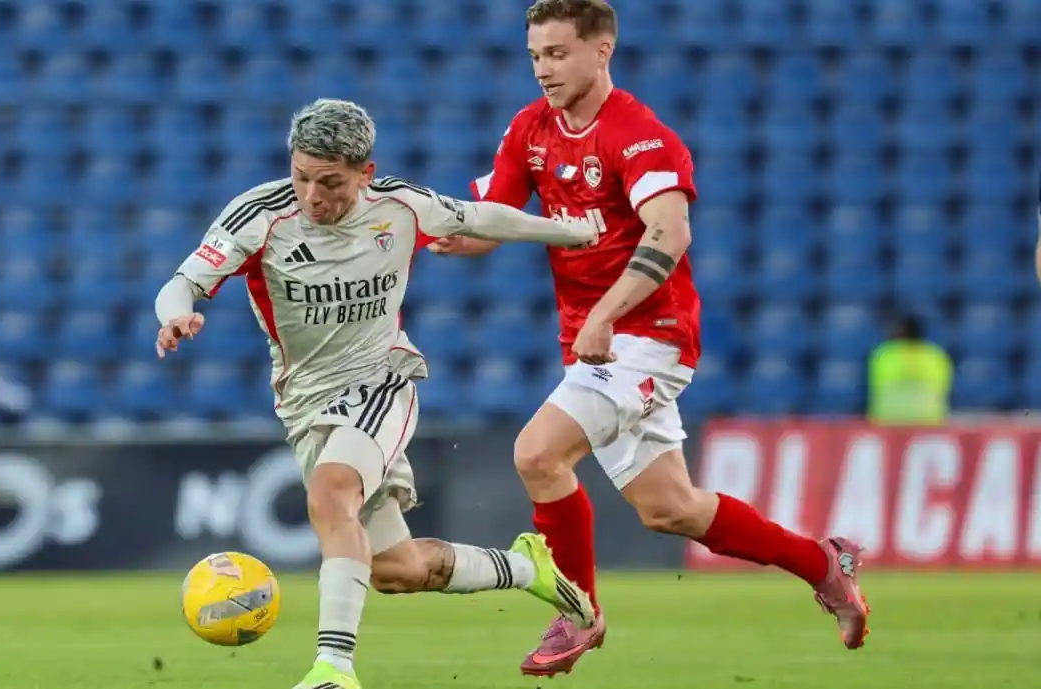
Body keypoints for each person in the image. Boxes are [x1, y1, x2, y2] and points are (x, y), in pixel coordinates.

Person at [431, 0, 871, 676]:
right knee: (673, 509)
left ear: (601, 51)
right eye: (536, 56)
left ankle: (579, 612)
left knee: (538, 454)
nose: (544, 69)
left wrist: (605, 313)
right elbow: (492, 218)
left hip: (650, 336)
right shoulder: (531, 128)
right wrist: (439, 233)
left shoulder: (639, 135)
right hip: (596, 343)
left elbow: (670, 232)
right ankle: (825, 565)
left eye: (557, 54)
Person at [153, 98, 598, 689]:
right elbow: (182, 282)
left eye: (330, 182)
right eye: (302, 177)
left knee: (331, 492)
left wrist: (567, 231)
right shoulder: (259, 216)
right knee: (396, 569)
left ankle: (333, 669)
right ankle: (525, 568)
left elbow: (477, 218)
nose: (314, 195)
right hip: (306, 403)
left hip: (382, 378)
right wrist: (176, 316)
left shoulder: (401, 206)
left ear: (365, 173)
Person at [867, 314, 952, 425]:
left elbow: (874, 388)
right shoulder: (936, 355)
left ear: (901, 331)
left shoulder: (884, 355)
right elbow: (945, 389)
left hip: (889, 421)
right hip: (929, 422)